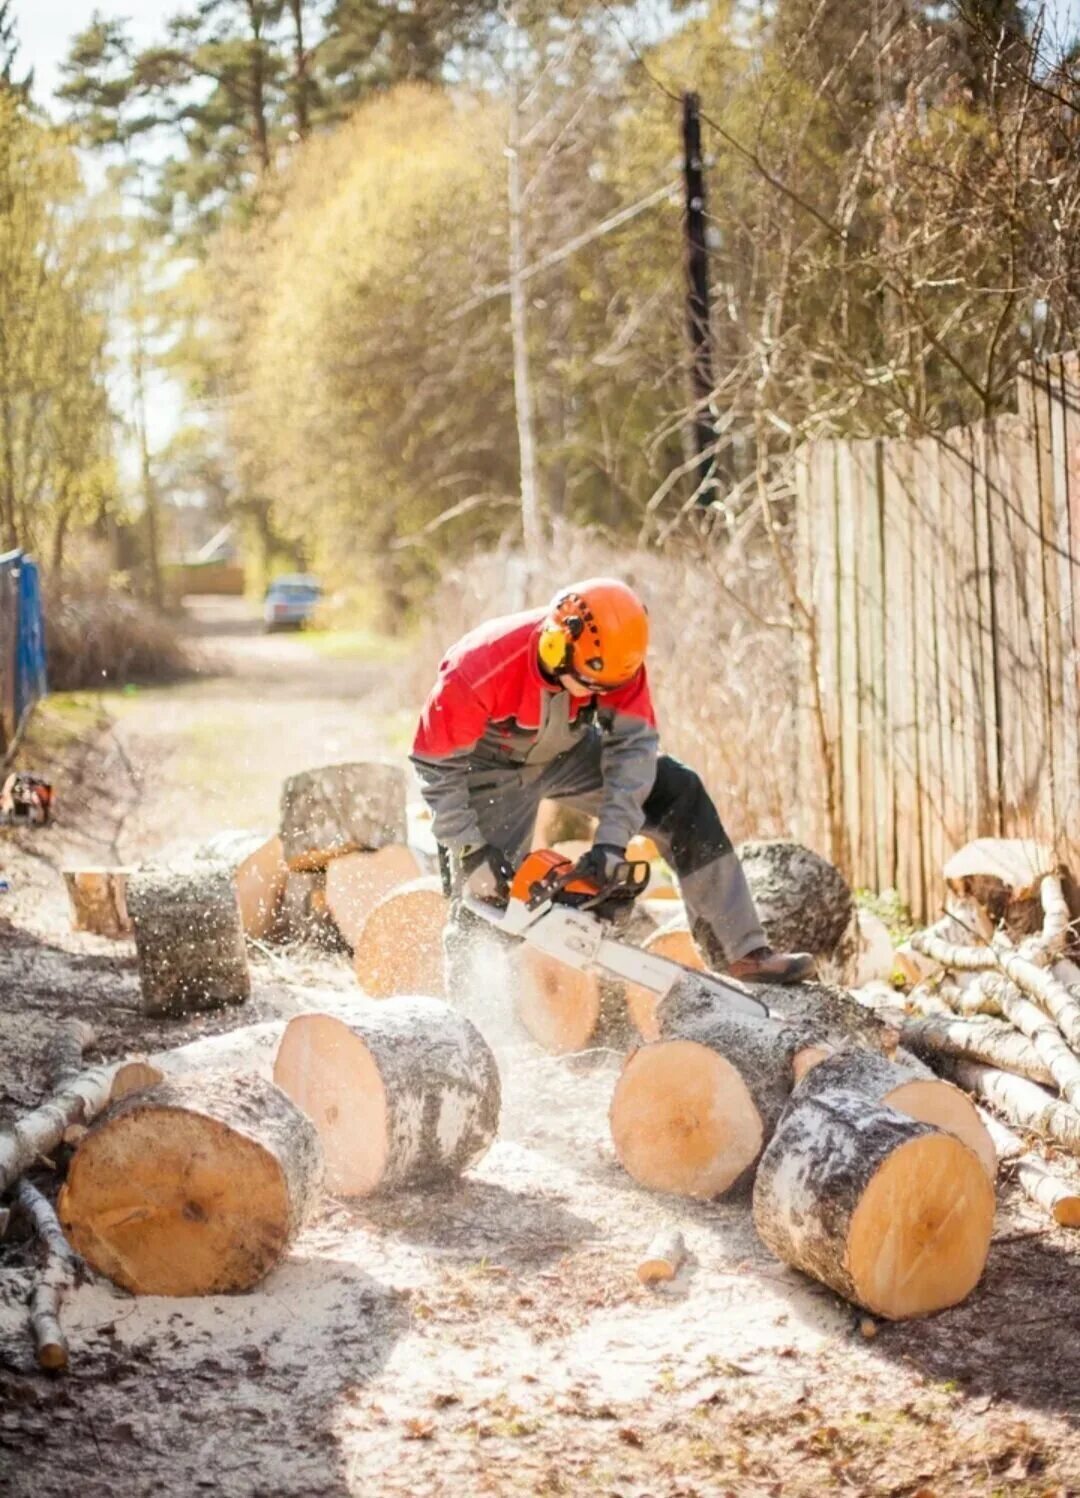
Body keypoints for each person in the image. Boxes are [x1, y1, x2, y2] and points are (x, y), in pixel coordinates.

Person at [410, 577, 814, 983]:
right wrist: (469, 848)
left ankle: (741, 950)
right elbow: (435, 766)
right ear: (556, 647)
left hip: (568, 751)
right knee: (486, 899)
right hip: (487, 768)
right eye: (588, 685)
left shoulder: (618, 661)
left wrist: (610, 844)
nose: (596, 694)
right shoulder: (480, 665)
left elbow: (633, 750)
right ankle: (472, 1018)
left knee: (679, 794)